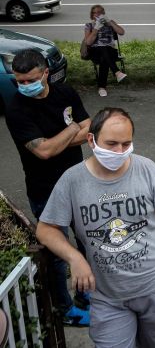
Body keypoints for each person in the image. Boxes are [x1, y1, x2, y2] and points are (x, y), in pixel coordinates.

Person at [35, 107, 155, 347]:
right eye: (112, 143)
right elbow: (45, 229)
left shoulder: (147, 170)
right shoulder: (72, 181)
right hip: (108, 295)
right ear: (91, 140)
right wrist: (75, 258)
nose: (119, 151)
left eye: (126, 144)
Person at [4, 49, 91, 326]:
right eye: (19, 81)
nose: (24, 86)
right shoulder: (16, 108)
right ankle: (65, 310)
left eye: (30, 79)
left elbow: (89, 129)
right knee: (55, 255)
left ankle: (85, 293)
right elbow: (43, 152)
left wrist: (57, 141)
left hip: (77, 184)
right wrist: (70, 130)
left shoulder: (65, 93)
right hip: (45, 191)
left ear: (45, 74)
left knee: (86, 243)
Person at [84, 4, 126, 97]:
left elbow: (121, 32)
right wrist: (96, 28)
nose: (98, 14)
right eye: (95, 13)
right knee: (102, 49)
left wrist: (110, 23)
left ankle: (102, 88)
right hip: (95, 52)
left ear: (103, 13)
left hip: (110, 51)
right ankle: (117, 72)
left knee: (105, 53)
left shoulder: (110, 22)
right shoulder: (89, 25)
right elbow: (88, 42)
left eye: (100, 12)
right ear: (92, 15)